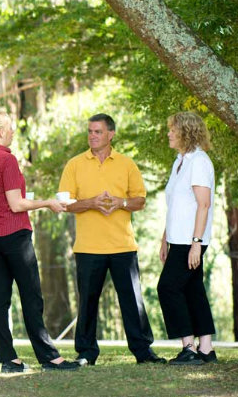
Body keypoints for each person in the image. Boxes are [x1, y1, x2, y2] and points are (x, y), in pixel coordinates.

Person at [0, 111, 80, 373]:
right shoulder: (7, 160)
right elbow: (17, 204)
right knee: (31, 296)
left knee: (0, 298)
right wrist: (48, 202)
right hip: (14, 235)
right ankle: (49, 358)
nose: (13, 132)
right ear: (2, 132)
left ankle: (9, 360)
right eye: (10, 128)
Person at [59, 113, 166, 366]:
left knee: (132, 301)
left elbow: (139, 200)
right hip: (88, 247)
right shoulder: (74, 165)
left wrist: (121, 202)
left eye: (97, 132)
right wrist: (91, 203)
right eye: (90, 131)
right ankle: (86, 352)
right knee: (87, 302)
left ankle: (143, 352)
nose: (92, 136)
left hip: (122, 246)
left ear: (110, 134)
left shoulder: (127, 164)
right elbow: (65, 203)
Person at [157, 112, 217, 365]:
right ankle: (206, 349)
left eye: (173, 129)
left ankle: (188, 348)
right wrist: (164, 239)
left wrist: (196, 243)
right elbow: (176, 204)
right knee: (193, 290)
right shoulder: (180, 161)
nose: (169, 133)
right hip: (178, 239)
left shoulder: (199, 162)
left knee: (168, 288)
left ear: (187, 132)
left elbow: (203, 205)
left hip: (190, 241)